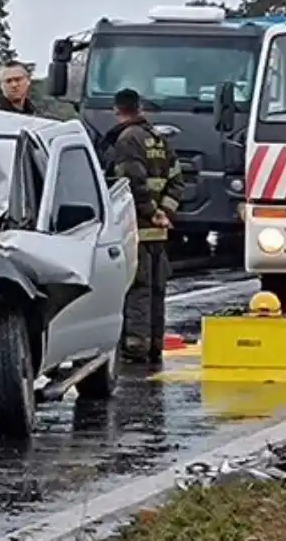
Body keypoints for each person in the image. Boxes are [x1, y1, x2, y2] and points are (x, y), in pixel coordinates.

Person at [101, 88, 183, 364]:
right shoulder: (159, 139)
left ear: (116, 110)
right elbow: (177, 181)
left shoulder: (127, 140)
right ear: (140, 108)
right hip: (159, 231)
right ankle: (154, 344)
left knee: (137, 289)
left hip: (136, 229)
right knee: (157, 289)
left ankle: (135, 346)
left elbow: (130, 182)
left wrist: (150, 212)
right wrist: (165, 213)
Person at [0, 59, 78, 120]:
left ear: (28, 81)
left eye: (18, 79)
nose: (14, 85)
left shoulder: (36, 115)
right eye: (8, 81)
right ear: (1, 85)